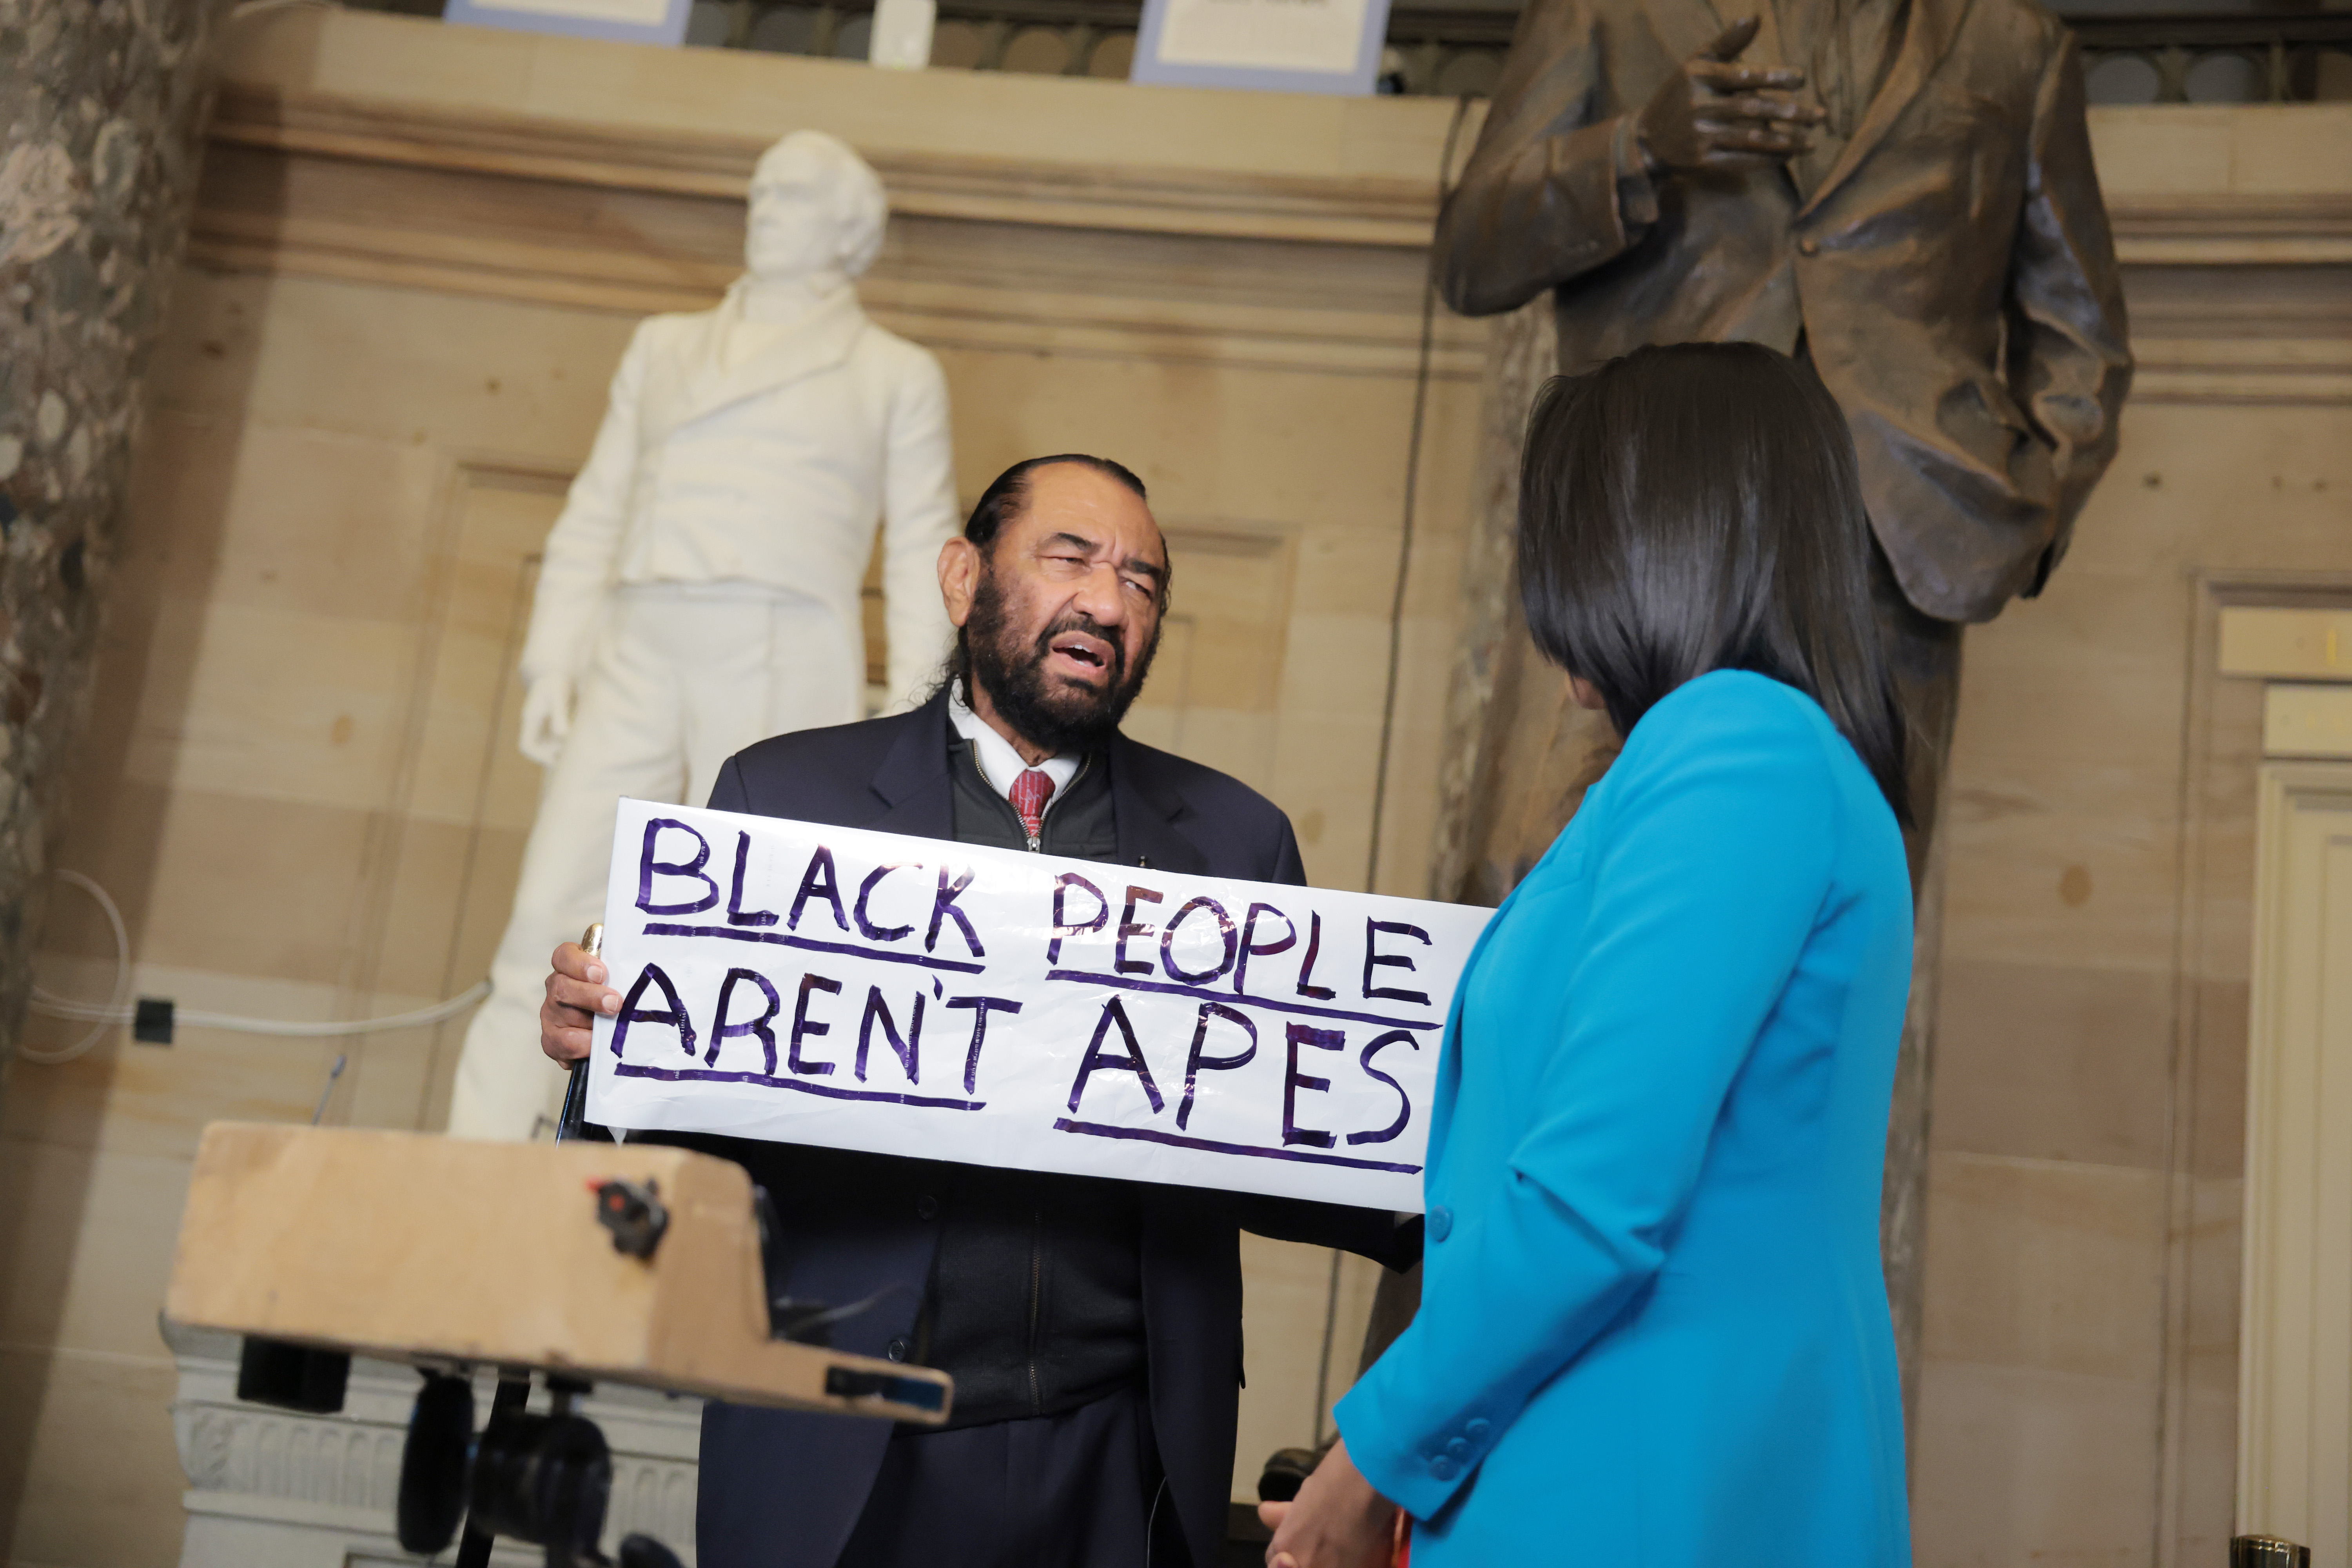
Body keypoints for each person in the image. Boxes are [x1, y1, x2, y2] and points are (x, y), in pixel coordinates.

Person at [538, 454, 1419, 1568]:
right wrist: (600, 1045)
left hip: (1120, 1461)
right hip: (838, 1444)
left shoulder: (1240, 845)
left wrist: (1446, 1153)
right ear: (964, 579)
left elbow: (1292, 1135)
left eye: (1145, 584)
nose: (1109, 601)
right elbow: (690, 1131)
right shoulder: (785, 802)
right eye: (1072, 560)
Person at [1265, 344, 1915, 1565]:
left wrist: (1368, 1460)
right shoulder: (1730, 762)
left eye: (1556, 539)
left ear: (1650, 538)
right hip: (1620, 1468)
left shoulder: (1737, 744)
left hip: (1650, 1482)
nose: (1539, 589)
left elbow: (1590, 1198)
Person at [449, 130, 960, 1141]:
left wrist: (914, 724)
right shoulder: (665, 343)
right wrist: (554, 649)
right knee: (549, 903)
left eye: (794, 196)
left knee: (754, 931)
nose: (765, 207)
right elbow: (598, 504)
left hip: (782, 646)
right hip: (639, 638)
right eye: (761, 190)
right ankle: (481, 1168)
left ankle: (712, 1176)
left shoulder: (893, 372)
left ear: (852, 230)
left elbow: (921, 558)